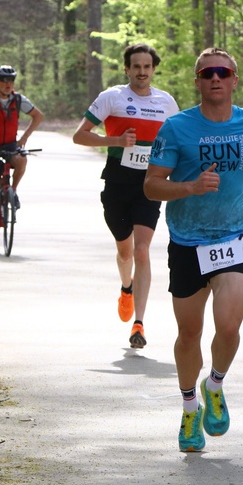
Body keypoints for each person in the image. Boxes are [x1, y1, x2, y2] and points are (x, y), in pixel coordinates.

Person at [144, 47, 243, 453]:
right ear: (198, 81)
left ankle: (216, 384)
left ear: (235, 79)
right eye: (208, 73)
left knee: (228, 326)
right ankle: (190, 407)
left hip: (234, 238)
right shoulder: (176, 128)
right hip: (188, 241)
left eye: (223, 72)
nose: (216, 78)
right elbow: (151, 185)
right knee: (189, 334)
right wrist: (189, 187)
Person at [73, 43, 179, 349]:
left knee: (142, 250)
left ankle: (139, 324)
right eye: (136, 66)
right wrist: (116, 140)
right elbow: (80, 135)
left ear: (153, 69)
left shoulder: (166, 102)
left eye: (147, 66)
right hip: (118, 183)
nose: (142, 72)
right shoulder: (112, 97)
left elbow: (179, 141)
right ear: (127, 69)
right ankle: (126, 287)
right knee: (125, 252)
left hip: (150, 184)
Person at [0, 65, 43, 243]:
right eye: (4, 81)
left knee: (22, 159)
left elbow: (38, 116)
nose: (8, 84)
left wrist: (24, 138)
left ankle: (13, 190)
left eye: (11, 81)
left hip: (10, 145)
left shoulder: (19, 100)